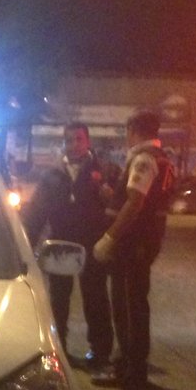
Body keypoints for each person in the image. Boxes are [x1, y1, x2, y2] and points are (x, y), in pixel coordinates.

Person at [90, 109, 176, 390]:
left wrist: (110, 237)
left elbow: (135, 203)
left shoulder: (143, 159)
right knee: (134, 304)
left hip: (132, 246)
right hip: (142, 244)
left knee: (128, 308)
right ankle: (128, 365)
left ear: (134, 130)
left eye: (127, 131)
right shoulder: (162, 160)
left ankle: (131, 370)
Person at [21, 122, 120, 368]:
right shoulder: (52, 174)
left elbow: (120, 207)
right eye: (69, 140)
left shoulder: (106, 170)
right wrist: (25, 247)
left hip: (92, 245)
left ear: (87, 141)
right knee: (58, 301)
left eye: (78, 139)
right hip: (60, 245)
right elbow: (35, 213)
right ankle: (58, 349)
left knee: (95, 299)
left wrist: (111, 240)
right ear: (63, 143)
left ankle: (100, 352)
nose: (74, 144)